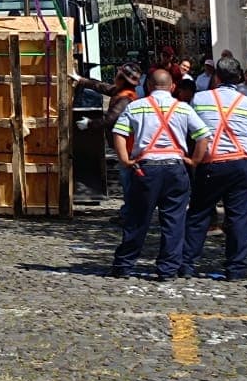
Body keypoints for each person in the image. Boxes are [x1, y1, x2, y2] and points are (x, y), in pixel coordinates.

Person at [110, 69, 210, 280]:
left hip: (147, 167)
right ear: (172, 86)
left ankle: (124, 264)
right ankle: (168, 269)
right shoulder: (183, 108)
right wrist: (194, 161)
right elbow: (203, 136)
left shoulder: (136, 106)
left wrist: (126, 160)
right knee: (174, 220)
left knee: (138, 218)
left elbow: (119, 133)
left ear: (148, 86)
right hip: (175, 167)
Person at [182, 57, 247, 280]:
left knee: (198, 214)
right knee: (239, 217)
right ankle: (237, 269)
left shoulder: (200, 98)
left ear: (216, 77)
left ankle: (187, 263)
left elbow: (194, 130)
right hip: (240, 163)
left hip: (211, 163)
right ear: (238, 78)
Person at [74, 63, 144, 213]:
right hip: (125, 143)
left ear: (121, 79)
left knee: (128, 179)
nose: (114, 78)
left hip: (128, 145)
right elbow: (102, 87)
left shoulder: (125, 98)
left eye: (117, 76)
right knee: (127, 179)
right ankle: (129, 211)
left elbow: (110, 119)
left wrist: (89, 124)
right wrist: (80, 80)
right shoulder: (120, 91)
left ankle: (130, 214)